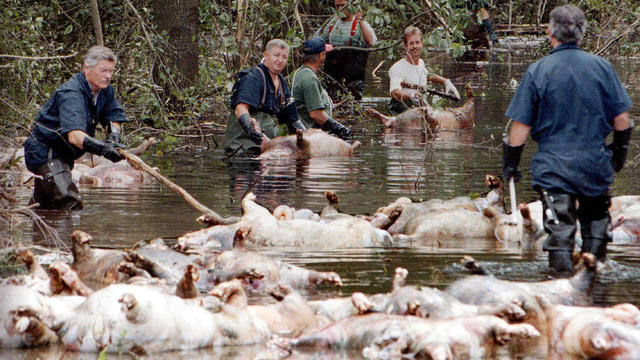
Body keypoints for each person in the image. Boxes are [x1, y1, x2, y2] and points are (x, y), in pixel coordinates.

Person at [502, 5, 633, 275]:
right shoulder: (602, 68)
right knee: (596, 228)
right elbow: (623, 121)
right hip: (594, 165)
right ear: (582, 34)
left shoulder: (538, 71)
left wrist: (510, 165)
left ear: (550, 32)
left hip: (554, 168)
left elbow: (519, 129)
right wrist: (618, 155)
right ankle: (594, 284)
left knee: (560, 230)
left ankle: (560, 286)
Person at [23, 45, 128, 210]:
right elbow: (75, 137)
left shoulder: (104, 91)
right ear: (87, 67)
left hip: (64, 155)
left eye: (111, 71)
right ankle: (70, 235)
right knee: (69, 203)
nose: (108, 76)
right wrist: (104, 149)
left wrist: (113, 137)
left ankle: (35, 225)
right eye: (103, 70)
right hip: (45, 153)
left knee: (45, 205)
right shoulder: (71, 94)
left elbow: (114, 117)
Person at [224, 39, 306, 156]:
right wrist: (250, 129)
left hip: (267, 149)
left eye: (284, 57)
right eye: (276, 55)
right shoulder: (253, 77)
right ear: (266, 54)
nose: (280, 60)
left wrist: (307, 137)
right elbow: (240, 108)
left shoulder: (282, 82)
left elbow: (292, 118)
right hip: (242, 149)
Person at [388, 26, 460, 115]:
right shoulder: (397, 68)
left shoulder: (421, 63)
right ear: (405, 46)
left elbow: (427, 75)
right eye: (411, 43)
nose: (415, 46)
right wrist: (411, 96)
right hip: (400, 115)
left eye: (417, 42)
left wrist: (445, 81)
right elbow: (395, 92)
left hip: (419, 112)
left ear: (422, 44)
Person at [291, 37, 352, 141]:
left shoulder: (302, 72)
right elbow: (316, 114)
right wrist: (340, 129)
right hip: (309, 136)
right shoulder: (309, 79)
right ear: (321, 56)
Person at [316, 0, 377, 100]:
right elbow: (316, 42)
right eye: (337, 6)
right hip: (332, 79)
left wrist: (360, 19)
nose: (340, 9)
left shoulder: (360, 24)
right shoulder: (332, 24)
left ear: (351, 5)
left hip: (354, 81)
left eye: (343, 6)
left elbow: (370, 43)